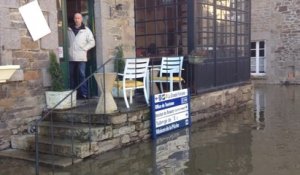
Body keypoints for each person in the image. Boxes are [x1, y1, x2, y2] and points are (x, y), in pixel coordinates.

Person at [68, 13, 95, 99]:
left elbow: (92, 42)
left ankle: (84, 93)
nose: (77, 20)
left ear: (81, 19)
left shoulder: (86, 30)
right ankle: (72, 93)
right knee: (71, 75)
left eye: (79, 18)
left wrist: (85, 48)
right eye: (75, 18)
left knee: (81, 75)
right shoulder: (68, 29)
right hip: (70, 56)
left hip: (81, 56)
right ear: (74, 19)